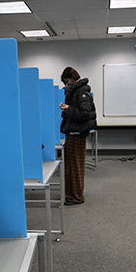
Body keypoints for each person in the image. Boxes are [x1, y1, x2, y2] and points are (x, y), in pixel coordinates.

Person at [59, 67, 96, 205]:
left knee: (75, 167)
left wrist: (69, 109)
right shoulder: (77, 91)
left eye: (67, 81)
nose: (66, 85)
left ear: (73, 78)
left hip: (77, 133)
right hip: (74, 132)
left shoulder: (82, 92)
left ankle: (76, 197)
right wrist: (67, 109)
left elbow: (84, 114)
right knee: (72, 166)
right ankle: (72, 194)